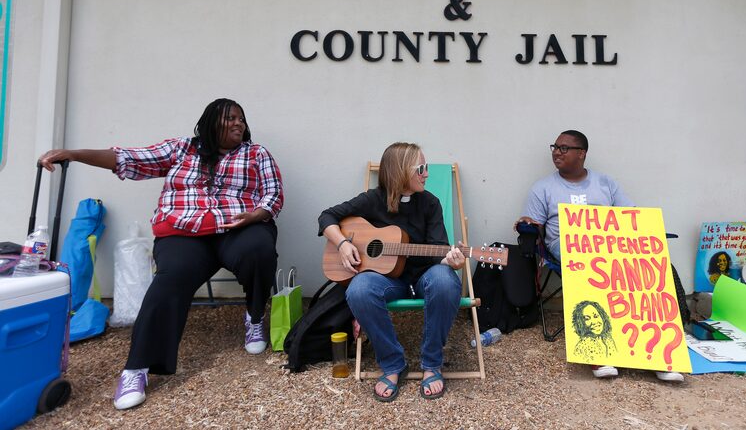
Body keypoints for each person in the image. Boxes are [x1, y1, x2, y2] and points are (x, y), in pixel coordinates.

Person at [38, 98, 284, 410]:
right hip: (185, 233)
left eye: (241, 119)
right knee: (171, 279)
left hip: (238, 226)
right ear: (210, 122)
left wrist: (255, 215)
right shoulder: (181, 149)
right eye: (230, 118)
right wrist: (73, 154)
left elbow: (273, 194)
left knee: (259, 249)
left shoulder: (256, 153)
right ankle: (136, 369)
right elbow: (127, 158)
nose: (239, 124)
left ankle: (254, 315)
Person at [516, 129, 683, 383]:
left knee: (653, 267)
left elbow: (630, 216)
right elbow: (535, 226)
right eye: (555, 147)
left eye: (563, 148)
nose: (556, 153)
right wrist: (528, 223)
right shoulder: (543, 188)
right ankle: (599, 352)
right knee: (592, 267)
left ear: (581, 154)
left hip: (610, 246)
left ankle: (658, 352)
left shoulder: (606, 183)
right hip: (568, 249)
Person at [318, 142, 464, 402]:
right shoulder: (372, 200)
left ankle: (431, 363)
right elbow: (327, 217)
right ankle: (393, 364)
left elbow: (439, 249)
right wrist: (342, 244)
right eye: (421, 168)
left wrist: (451, 261)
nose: (427, 174)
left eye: (427, 168)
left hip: (424, 277)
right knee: (359, 289)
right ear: (399, 171)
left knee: (446, 281)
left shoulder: (430, 203)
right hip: (387, 280)